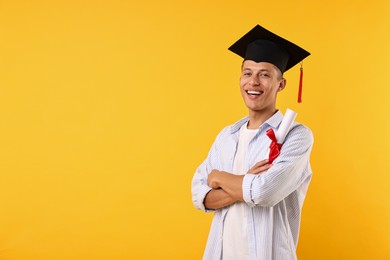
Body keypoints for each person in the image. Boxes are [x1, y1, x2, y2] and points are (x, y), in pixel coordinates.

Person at [191, 24, 314, 260]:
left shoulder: (297, 136)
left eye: (265, 74)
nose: (253, 82)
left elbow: (265, 192)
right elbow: (200, 195)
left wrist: (218, 178)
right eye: (248, 73)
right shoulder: (227, 136)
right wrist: (246, 181)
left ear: (281, 84)